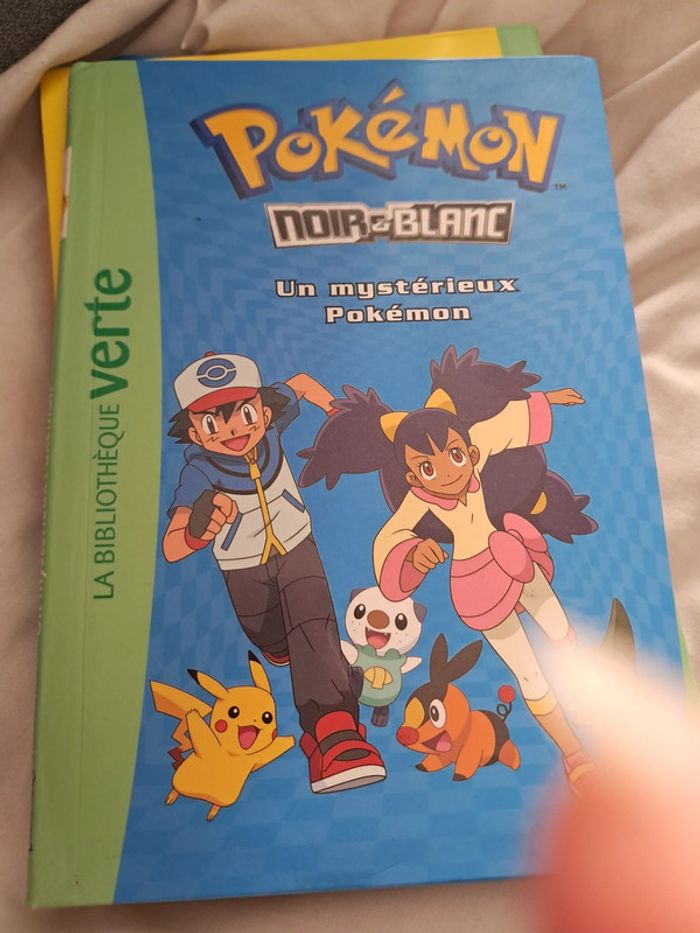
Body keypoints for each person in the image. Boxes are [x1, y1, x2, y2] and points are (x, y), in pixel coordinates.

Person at [162, 351, 386, 794]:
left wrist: (333, 410)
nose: (233, 431)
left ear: (264, 412)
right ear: (194, 432)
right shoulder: (199, 472)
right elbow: (172, 547)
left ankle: (333, 734)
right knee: (271, 636)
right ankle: (295, 653)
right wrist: (198, 530)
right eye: (212, 423)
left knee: (313, 624)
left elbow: (299, 382)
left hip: (297, 546)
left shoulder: (271, 432)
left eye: (245, 414)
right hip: (244, 568)